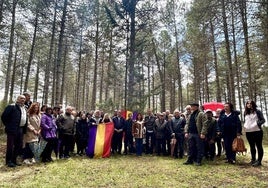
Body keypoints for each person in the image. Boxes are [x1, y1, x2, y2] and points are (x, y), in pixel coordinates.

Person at [1, 95, 27, 167]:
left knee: (18, 145)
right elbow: (4, 117)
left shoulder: (24, 108)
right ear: (17, 99)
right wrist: (9, 125)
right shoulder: (12, 106)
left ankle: (14, 160)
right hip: (12, 129)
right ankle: (8, 161)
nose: (23, 100)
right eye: (21, 98)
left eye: (24, 99)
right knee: (10, 145)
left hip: (21, 129)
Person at [244, 100, 265, 167]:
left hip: (257, 131)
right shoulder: (246, 112)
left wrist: (257, 124)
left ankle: (259, 161)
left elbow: (263, 120)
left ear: (253, 104)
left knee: (259, 146)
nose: (249, 104)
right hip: (248, 132)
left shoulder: (257, 111)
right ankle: (253, 160)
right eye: (248, 103)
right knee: (252, 146)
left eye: (250, 103)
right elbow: (247, 122)